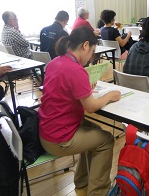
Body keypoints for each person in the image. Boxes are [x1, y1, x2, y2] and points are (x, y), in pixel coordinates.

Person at [38, 26, 121, 195]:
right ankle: (99, 191)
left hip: (46, 128)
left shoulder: (56, 62)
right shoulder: (76, 69)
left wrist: (86, 89)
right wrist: (110, 95)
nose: (91, 58)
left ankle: (82, 181)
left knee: (95, 130)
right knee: (106, 140)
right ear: (85, 46)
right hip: (60, 139)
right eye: (92, 52)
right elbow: (90, 107)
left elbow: (64, 92)